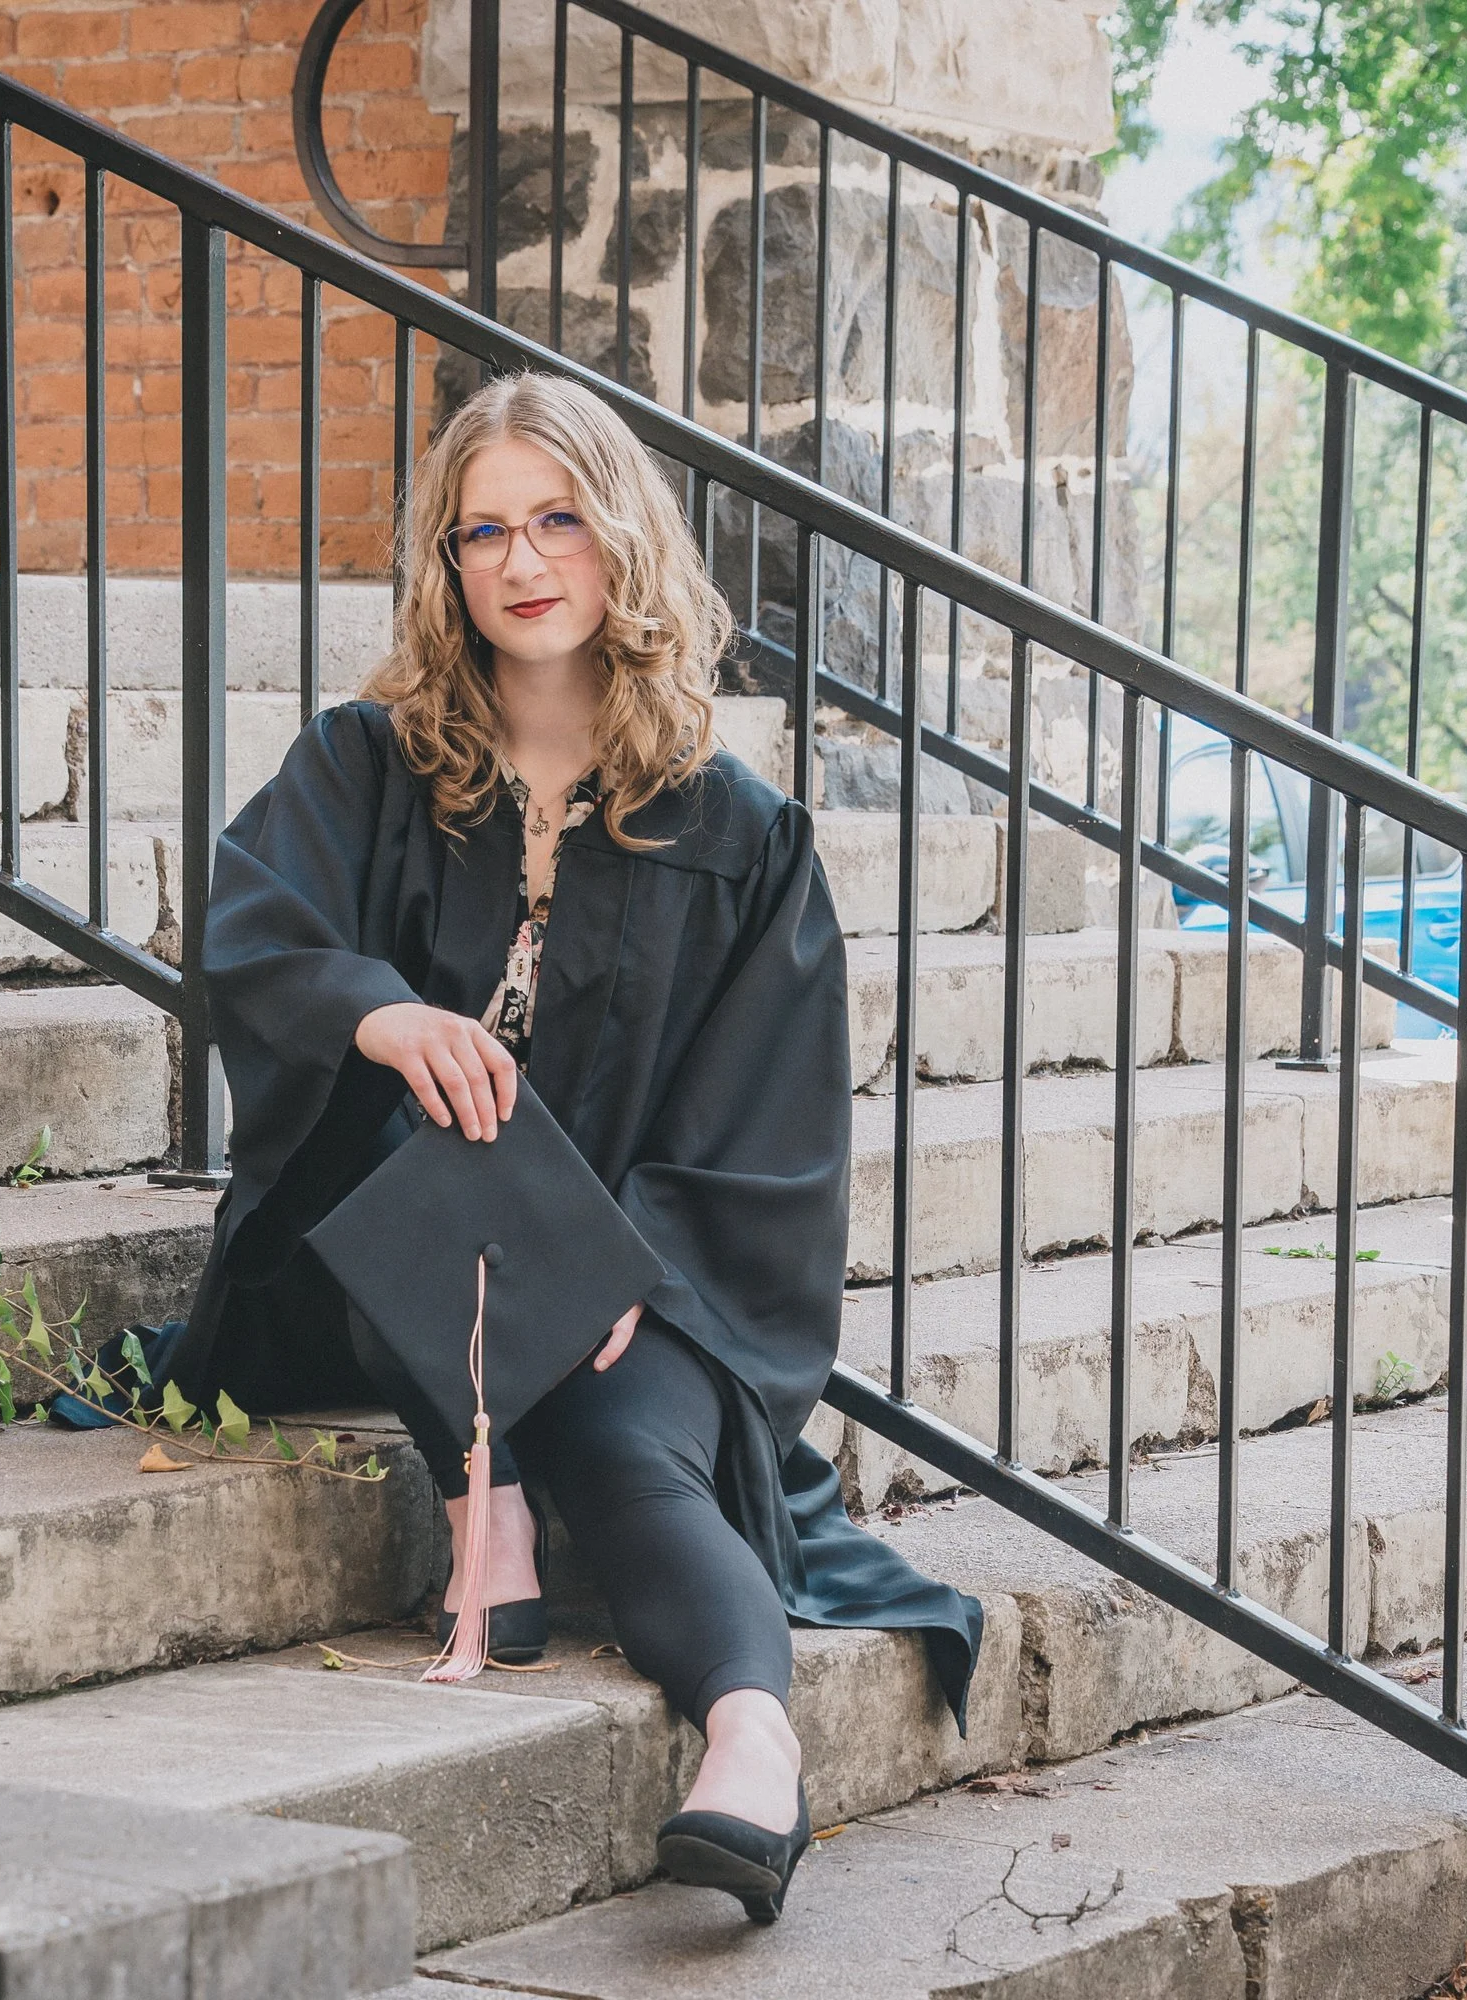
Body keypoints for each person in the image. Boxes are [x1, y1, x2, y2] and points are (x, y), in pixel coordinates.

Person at [171, 372, 981, 1923]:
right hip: (395, 1248)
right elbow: (254, 934)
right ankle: (486, 1499)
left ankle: (750, 1740)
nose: (522, 559)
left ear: (621, 540)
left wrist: (632, 1274)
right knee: (428, 1105)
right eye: (483, 531)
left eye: (557, 519)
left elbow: (767, 1117)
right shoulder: (367, 766)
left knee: (625, 1430)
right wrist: (380, 1012)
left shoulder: (740, 837)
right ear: (446, 565)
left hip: (659, 1271)